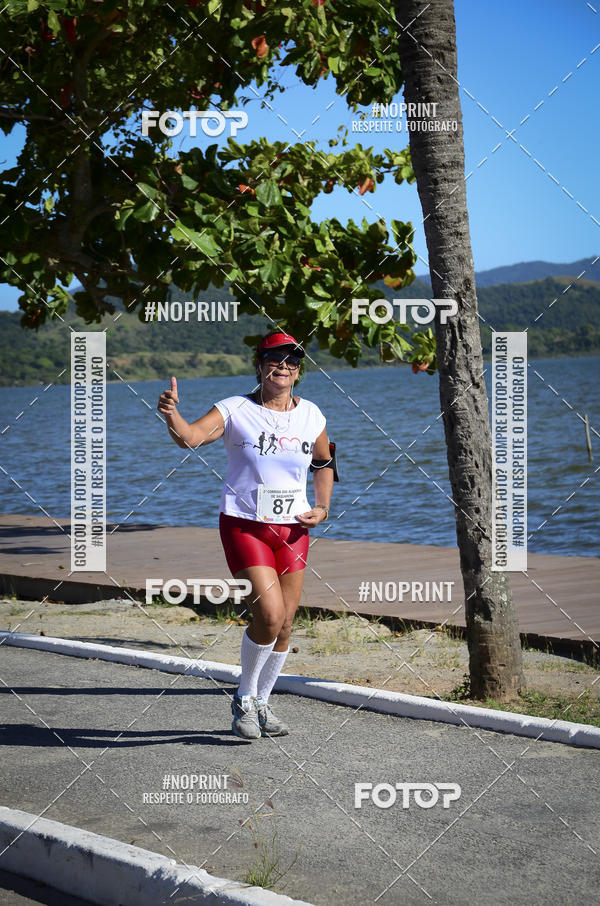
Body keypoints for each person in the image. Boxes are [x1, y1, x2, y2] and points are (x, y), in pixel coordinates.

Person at [157, 330, 335, 740]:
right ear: (259, 365)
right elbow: (191, 438)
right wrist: (172, 417)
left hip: (292, 529)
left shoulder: (312, 414)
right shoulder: (235, 408)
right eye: (274, 359)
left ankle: (262, 703)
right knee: (269, 615)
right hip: (244, 525)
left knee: (287, 623)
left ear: (299, 370)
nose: (283, 366)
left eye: (292, 361)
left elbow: (325, 462)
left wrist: (322, 507)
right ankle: (243, 698)